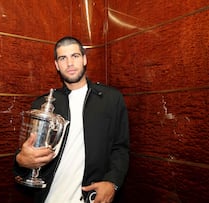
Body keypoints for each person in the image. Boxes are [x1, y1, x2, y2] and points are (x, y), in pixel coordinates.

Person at [13, 36, 130, 203]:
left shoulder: (111, 99)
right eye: (63, 58)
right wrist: (20, 160)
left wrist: (113, 182)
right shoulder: (43, 104)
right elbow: (27, 151)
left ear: (84, 59)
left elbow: (121, 147)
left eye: (75, 56)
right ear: (57, 65)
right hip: (49, 197)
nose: (69, 63)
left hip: (90, 197)